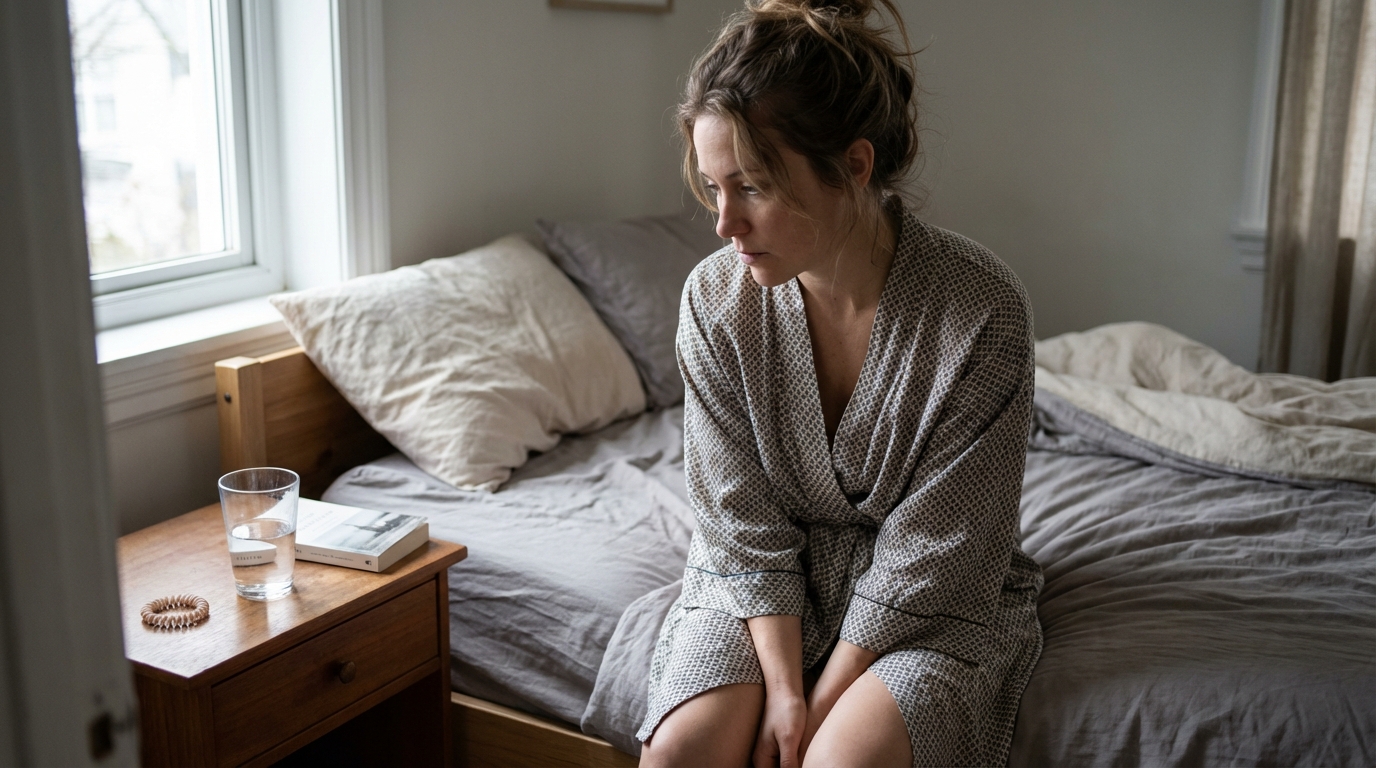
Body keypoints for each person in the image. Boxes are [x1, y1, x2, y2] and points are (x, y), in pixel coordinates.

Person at [636, 1, 1043, 766]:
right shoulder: (714, 300)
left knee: (839, 761)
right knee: (679, 754)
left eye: (752, 186)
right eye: (713, 186)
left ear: (854, 167)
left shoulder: (979, 309)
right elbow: (738, 515)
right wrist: (785, 687)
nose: (724, 223)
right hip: (755, 580)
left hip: (930, 598)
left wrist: (820, 707)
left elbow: (941, 550)